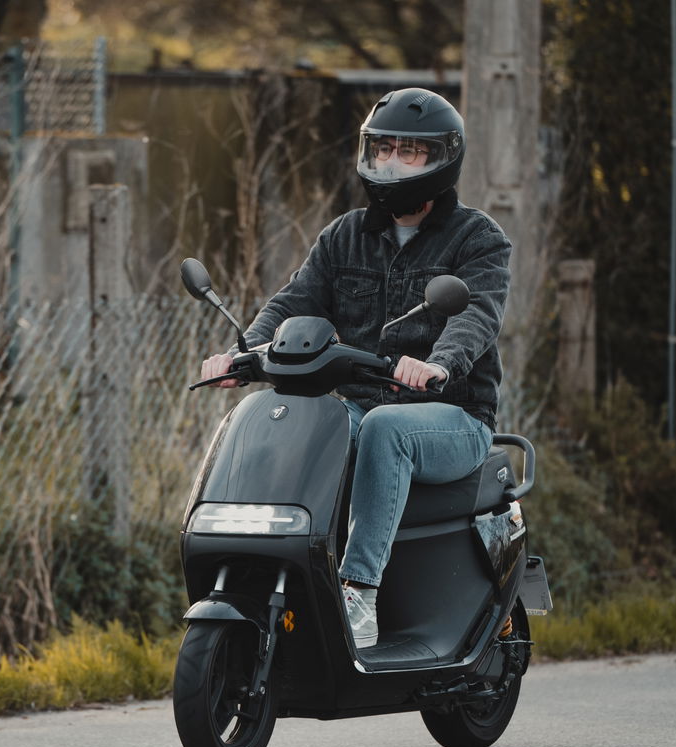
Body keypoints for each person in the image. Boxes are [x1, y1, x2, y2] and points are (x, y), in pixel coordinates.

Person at [199, 88, 511, 650]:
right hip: (361, 406)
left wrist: (438, 366)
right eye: (383, 147)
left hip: (454, 417)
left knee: (383, 429)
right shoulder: (344, 235)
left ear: (442, 157)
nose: (392, 161)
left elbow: (477, 317)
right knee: (295, 419)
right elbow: (295, 301)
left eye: (409, 151)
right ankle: (275, 573)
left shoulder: (478, 238)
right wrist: (243, 354)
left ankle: (359, 592)